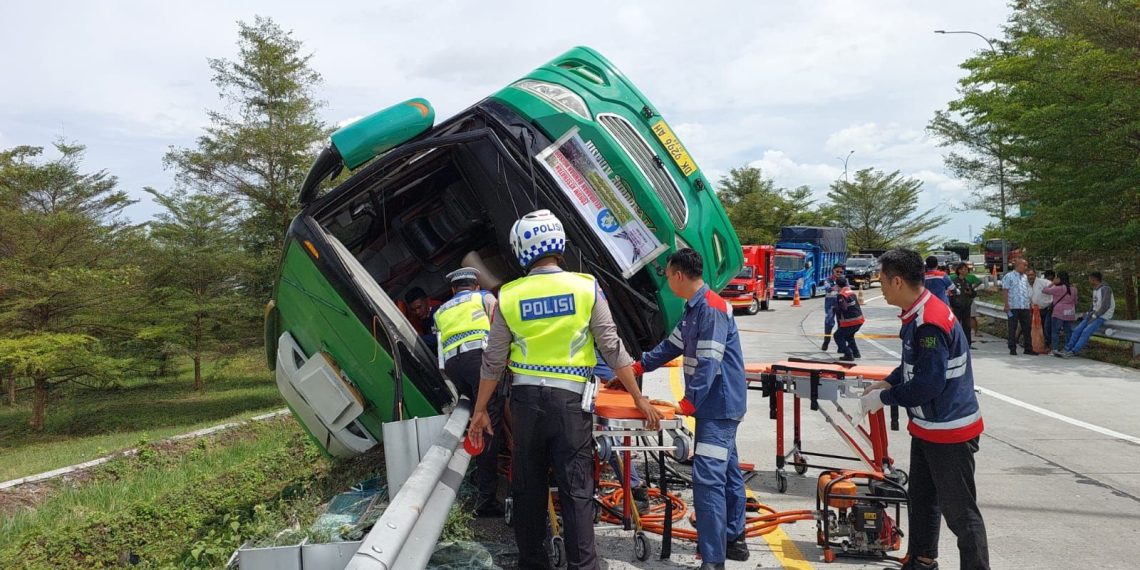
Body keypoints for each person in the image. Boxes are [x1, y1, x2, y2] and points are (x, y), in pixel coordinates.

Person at [468, 209, 661, 570]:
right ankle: (583, 566)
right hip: (572, 404)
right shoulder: (586, 286)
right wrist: (637, 396)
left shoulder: (509, 295)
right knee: (576, 491)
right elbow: (611, 346)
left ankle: (533, 563)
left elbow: (493, 362)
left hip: (525, 405)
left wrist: (480, 409)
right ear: (558, 243)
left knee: (528, 489)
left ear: (521, 249)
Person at [861, 248, 990, 570]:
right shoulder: (917, 313)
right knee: (922, 500)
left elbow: (928, 385)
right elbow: (911, 366)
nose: (881, 288)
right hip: (928, 426)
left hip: (949, 429)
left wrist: (885, 400)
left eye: (882, 282)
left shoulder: (929, 323)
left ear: (898, 281)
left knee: (960, 513)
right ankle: (921, 559)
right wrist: (888, 383)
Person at [634, 248, 749, 570]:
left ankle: (713, 559)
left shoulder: (711, 309)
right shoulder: (694, 308)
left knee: (707, 480)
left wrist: (688, 402)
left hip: (718, 407)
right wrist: (639, 367)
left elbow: (710, 362)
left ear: (679, 275)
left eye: (668, 275)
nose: (667, 281)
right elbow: (671, 346)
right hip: (718, 407)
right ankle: (734, 539)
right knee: (726, 473)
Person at [433, 267, 504, 516]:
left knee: (477, 414)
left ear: (453, 289)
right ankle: (486, 498)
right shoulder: (483, 297)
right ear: (475, 285)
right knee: (488, 424)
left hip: (454, 368)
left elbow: (440, 348)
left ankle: (478, 476)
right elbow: (500, 329)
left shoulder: (440, 311)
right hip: (479, 361)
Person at [1057, 271, 1115, 358]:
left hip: (1102, 315)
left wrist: (1095, 316)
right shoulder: (1095, 289)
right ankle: (1067, 349)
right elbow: (1094, 303)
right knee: (1077, 330)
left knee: (1085, 332)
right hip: (1093, 314)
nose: (1088, 280)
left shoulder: (1105, 289)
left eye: (1089, 279)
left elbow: (1105, 306)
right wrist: (1089, 313)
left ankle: (1073, 351)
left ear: (1094, 279)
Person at [1001, 259, 1035, 355]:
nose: (1026, 267)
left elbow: (1027, 291)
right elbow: (1005, 290)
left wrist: (1030, 303)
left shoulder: (1025, 277)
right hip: (1013, 306)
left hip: (1024, 306)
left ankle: (1028, 348)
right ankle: (1012, 348)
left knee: (1027, 328)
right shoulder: (1009, 276)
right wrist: (1006, 304)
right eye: (1024, 265)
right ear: (1018, 265)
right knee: (1013, 327)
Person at [1043, 271, 1078, 355]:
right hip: (1070, 313)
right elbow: (1075, 302)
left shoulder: (1058, 288)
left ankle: (1055, 349)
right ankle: (1067, 349)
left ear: (1059, 279)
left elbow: (1044, 290)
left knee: (1055, 331)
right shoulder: (1074, 289)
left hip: (1059, 312)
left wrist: (1052, 283)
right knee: (1068, 331)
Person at [832, 276, 864, 361]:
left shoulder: (841, 294)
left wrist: (835, 308)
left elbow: (843, 308)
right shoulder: (850, 291)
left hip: (851, 321)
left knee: (837, 336)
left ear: (838, 285)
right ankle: (856, 353)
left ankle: (848, 354)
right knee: (849, 336)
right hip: (859, 320)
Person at [948, 262, 978, 346]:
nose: (965, 271)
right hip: (956, 307)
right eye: (963, 269)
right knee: (955, 326)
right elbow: (950, 295)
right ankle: (955, 343)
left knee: (966, 326)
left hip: (966, 307)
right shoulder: (953, 282)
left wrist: (970, 292)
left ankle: (968, 343)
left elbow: (973, 294)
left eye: (966, 269)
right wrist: (951, 306)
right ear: (959, 270)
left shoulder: (967, 282)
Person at [821, 263, 845, 352]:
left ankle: (841, 346)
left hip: (841, 305)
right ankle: (826, 341)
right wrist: (836, 287)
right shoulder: (828, 279)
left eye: (841, 272)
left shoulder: (844, 280)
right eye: (837, 271)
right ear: (833, 270)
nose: (839, 273)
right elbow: (827, 288)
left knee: (841, 324)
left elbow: (847, 288)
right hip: (830, 305)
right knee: (829, 322)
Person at [1027, 269, 1053, 347]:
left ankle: (1048, 344)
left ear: (1035, 275)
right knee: (1036, 329)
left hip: (1046, 308)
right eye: (1028, 275)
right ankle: (1038, 344)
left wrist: (1052, 303)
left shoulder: (1044, 282)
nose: (1030, 277)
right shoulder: (1026, 285)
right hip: (1035, 310)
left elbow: (1054, 289)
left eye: (1031, 275)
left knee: (1046, 328)